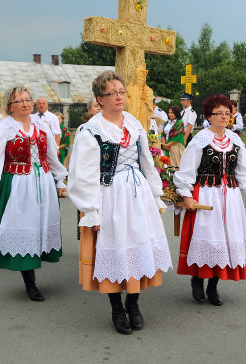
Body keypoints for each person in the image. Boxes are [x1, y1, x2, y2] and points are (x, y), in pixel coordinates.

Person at [67, 70, 172, 335]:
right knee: (113, 247)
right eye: (111, 93)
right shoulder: (90, 130)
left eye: (121, 92)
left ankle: (134, 303)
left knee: (138, 245)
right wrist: (90, 209)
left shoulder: (134, 123)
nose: (118, 97)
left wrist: (156, 193)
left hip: (137, 195)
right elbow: (82, 174)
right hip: (110, 195)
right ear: (99, 100)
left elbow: (146, 160)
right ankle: (117, 308)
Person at [0, 86, 67, 301]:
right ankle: (30, 282)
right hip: (18, 185)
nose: (26, 104)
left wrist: (60, 179)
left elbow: (50, 155)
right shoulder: (4, 128)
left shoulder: (41, 125)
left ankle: (33, 269)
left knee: (39, 227)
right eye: (20, 101)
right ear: (10, 106)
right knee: (23, 228)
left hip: (43, 182)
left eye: (28, 100)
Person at [174, 94, 246, 306]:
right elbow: (186, 170)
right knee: (209, 237)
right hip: (205, 194)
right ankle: (197, 279)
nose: (224, 117)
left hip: (230, 198)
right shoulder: (200, 140)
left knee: (225, 239)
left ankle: (213, 287)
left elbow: (244, 171)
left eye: (227, 113)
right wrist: (186, 195)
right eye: (219, 113)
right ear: (209, 116)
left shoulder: (234, 139)